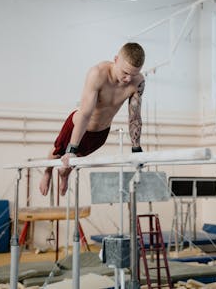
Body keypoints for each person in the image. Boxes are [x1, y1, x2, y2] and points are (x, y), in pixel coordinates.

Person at [39, 42, 145, 196]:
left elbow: (134, 117)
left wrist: (136, 149)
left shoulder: (138, 82)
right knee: (58, 152)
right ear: (116, 59)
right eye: (125, 72)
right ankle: (47, 172)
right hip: (78, 124)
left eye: (134, 74)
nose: (128, 78)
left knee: (75, 162)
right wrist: (71, 148)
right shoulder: (98, 74)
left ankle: (64, 174)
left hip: (100, 133)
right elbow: (85, 113)